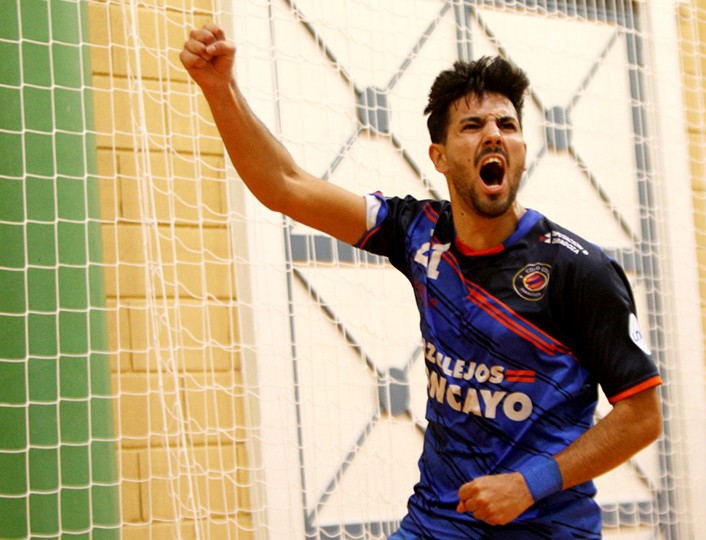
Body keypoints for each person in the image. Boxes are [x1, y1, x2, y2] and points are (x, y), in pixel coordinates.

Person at [181, 24, 663, 539]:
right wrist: (219, 88)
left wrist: (530, 483)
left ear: (521, 148)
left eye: (507, 123)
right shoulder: (416, 232)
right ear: (439, 156)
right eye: (472, 125)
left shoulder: (578, 269)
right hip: (438, 523)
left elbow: (641, 416)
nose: (494, 134)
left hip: (546, 527)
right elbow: (286, 186)